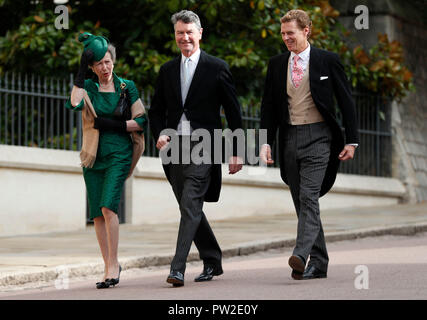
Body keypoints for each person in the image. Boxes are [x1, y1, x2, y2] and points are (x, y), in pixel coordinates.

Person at [260, 9, 359, 280]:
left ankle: (301, 254)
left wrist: (352, 140)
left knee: (308, 196)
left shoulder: (328, 61)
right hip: (290, 137)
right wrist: (265, 142)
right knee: (301, 201)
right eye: (283, 34)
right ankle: (320, 262)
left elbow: (346, 100)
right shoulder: (277, 64)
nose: (286, 38)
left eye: (290, 33)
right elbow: (267, 106)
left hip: (320, 137)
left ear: (307, 30)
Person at [149, 10, 243, 287]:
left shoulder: (217, 67)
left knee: (190, 204)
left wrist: (236, 150)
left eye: (190, 32)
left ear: (200, 33)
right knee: (189, 207)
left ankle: (177, 268)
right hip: (174, 148)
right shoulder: (167, 70)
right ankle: (212, 258)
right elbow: (156, 111)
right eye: (180, 32)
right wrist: (160, 135)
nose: (185, 37)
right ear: (175, 35)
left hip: (205, 145)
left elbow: (234, 112)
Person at [65, 32, 147, 289]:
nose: (105, 67)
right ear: (92, 66)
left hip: (119, 153)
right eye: (99, 63)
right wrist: (80, 69)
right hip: (94, 155)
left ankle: (113, 264)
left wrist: (115, 125)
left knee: (109, 206)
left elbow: (142, 120)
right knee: (98, 214)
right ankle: (107, 264)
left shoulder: (126, 87)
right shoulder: (88, 86)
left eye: (108, 61)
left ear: (114, 61)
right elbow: (75, 103)